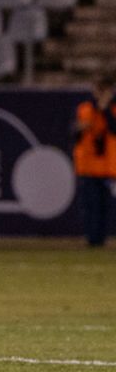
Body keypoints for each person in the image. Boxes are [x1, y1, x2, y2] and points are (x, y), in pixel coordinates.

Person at [71, 74, 116, 247]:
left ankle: (101, 239)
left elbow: (114, 129)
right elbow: (74, 134)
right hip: (88, 165)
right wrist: (78, 128)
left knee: (105, 206)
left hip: (108, 167)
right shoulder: (85, 109)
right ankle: (92, 239)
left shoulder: (112, 110)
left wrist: (104, 109)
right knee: (90, 205)